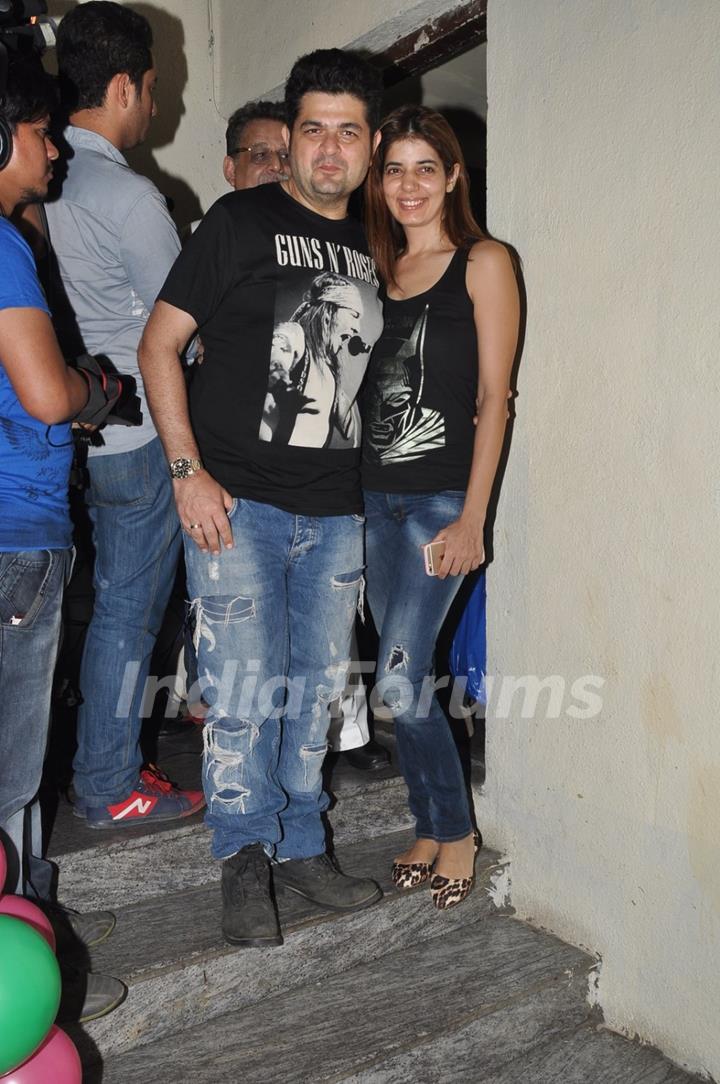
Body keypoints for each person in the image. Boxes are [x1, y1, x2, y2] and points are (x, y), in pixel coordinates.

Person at [139, 49, 386, 947]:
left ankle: (302, 847)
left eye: (346, 132)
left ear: (371, 144)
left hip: (337, 511)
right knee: (243, 691)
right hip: (235, 505)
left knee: (315, 692)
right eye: (311, 129)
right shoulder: (239, 223)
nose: (327, 149)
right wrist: (185, 472)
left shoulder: (378, 241)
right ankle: (244, 858)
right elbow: (158, 347)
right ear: (288, 138)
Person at [44, 1, 203, 828]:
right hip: (141, 437)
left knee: (104, 604)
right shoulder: (129, 195)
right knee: (127, 612)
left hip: (78, 429)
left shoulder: (39, 178)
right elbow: (186, 325)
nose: (157, 106)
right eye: (150, 89)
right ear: (120, 85)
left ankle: (100, 766)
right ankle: (109, 782)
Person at [362, 105, 520, 909]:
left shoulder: (484, 262)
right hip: (372, 500)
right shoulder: (375, 272)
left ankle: (457, 832)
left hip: (437, 501)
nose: (410, 184)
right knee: (410, 680)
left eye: (427, 167)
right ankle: (427, 821)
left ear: (455, 175)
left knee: (395, 682)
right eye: (395, 169)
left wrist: (474, 518)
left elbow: (495, 400)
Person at [0, 55, 126, 1021]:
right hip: (15, 534)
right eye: (41, 133)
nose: (54, 147)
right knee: (9, 778)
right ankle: (30, 990)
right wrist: (100, 392)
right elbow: (46, 394)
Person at [223, 99, 290, 190]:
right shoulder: (220, 204)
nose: (277, 166)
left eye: (286, 156)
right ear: (231, 171)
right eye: (261, 155)